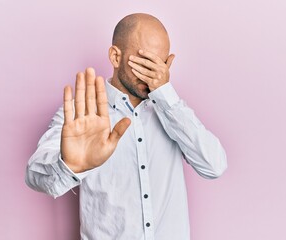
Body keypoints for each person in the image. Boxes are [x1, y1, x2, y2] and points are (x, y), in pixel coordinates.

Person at [26, 13, 227, 240]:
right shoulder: (81, 115)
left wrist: (166, 96)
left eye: (159, 64)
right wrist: (70, 166)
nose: (152, 74)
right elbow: (34, 175)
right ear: (115, 56)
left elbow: (214, 165)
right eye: (143, 63)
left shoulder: (173, 112)